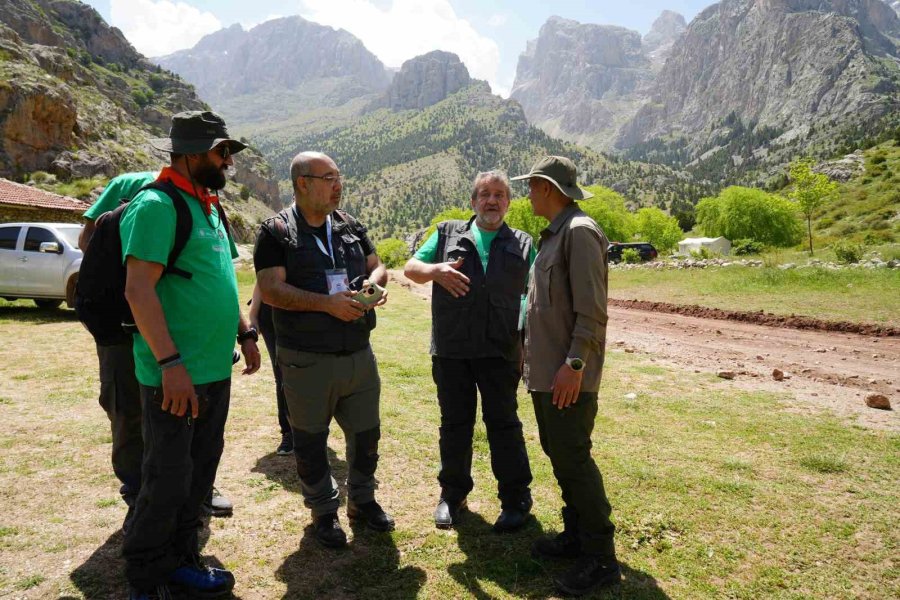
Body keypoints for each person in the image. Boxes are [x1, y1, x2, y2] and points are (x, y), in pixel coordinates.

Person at [119, 111, 261, 600]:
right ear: (193, 153)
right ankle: (145, 576)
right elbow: (139, 291)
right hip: (173, 377)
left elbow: (220, 283)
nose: (228, 162)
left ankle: (180, 561)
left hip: (211, 371)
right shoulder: (157, 206)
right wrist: (170, 364)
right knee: (166, 478)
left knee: (198, 474)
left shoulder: (210, 206)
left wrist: (245, 334)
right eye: (223, 153)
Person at [79, 172, 235, 529]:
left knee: (187, 422)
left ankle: (191, 493)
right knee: (128, 407)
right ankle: (139, 492)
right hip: (127, 328)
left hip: (186, 337)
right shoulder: (132, 186)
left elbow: (219, 267)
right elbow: (89, 239)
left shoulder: (207, 199)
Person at [254, 151, 392, 549]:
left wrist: (373, 286)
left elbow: (377, 264)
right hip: (306, 359)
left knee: (367, 435)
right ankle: (324, 513)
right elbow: (271, 289)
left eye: (339, 176)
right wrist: (326, 303)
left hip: (358, 355)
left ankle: (362, 501)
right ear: (303, 183)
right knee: (311, 442)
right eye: (329, 177)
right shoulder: (277, 232)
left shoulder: (349, 225)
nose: (338, 185)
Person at [511, 156, 621, 596]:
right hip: (545, 374)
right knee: (561, 457)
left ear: (548, 188)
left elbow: (592, 312)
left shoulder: (579, 232)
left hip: (567, 375)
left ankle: (600, 558)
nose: (528, 193)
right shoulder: (555, 235)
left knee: (573, 458)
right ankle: (577, 535)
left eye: (532, 186)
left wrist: (574, 366)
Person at [403, 170, 535, 532]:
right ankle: (452, 495)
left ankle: (515, 499)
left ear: (509, 202)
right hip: (452, 350)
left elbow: (536, 296)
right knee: (455, 425)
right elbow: (411, 267)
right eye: (485, 194)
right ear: (473, 201)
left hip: (501, 351)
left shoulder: (524, 243)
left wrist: (527, 346)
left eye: (499, 195)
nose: (492, 201)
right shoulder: (447, 233)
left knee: (504, 425)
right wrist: (436, 270)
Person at [248, 282, 293, 455]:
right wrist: (253, 314)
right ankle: (288, 432)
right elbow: (263, 275)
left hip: (309, 312)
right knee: (282, 375)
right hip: (272, 314)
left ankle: (312, 429)